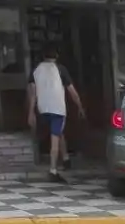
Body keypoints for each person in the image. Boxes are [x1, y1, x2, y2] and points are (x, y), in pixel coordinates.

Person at [28, 44, 86, 182]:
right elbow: (72, 92)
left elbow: (32, 94)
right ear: (57, 56)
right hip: (57, 109)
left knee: (58, 132)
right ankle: (53, 170)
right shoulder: (61, 69)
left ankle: (65, 158)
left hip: (43, 108)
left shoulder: (35, 70)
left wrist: (31, 112)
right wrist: (80, 106)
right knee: (55, 137)